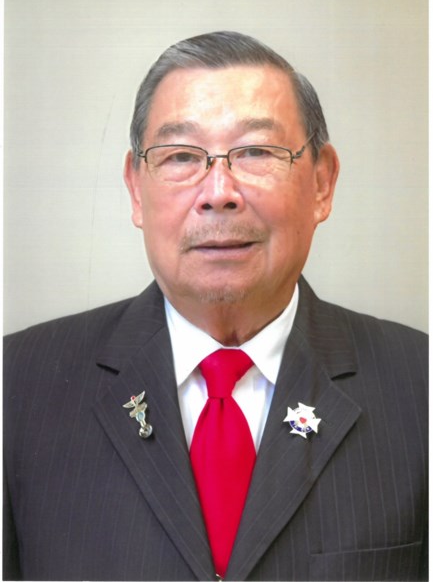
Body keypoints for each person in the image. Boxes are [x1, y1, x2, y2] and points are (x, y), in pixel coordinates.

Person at [3, 31, 427, 582]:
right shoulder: (18, 386)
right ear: (136, 189)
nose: (219, 192)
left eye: (257, 152)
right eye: (181, 156)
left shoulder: (419, 384)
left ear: (322, 183)